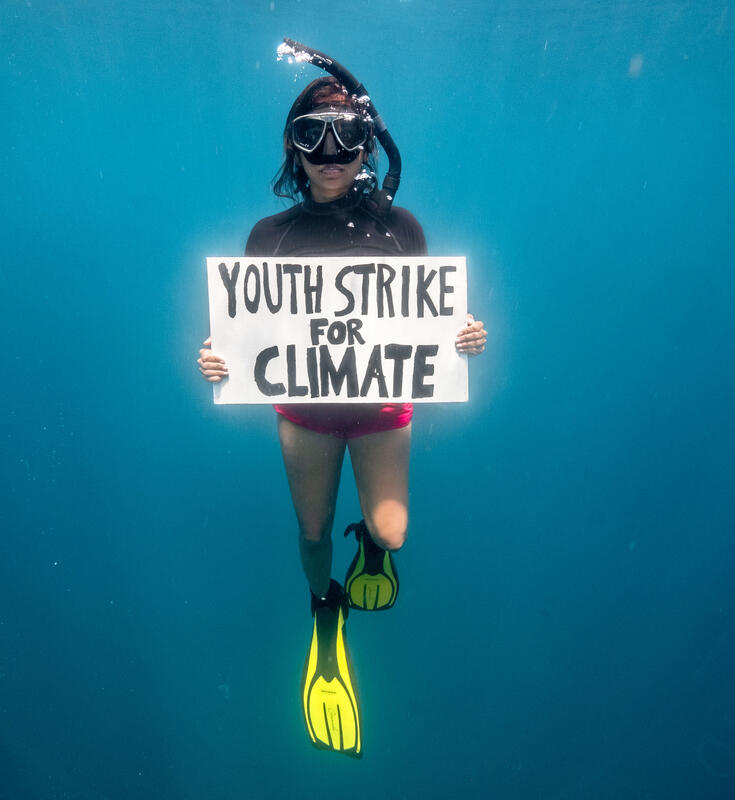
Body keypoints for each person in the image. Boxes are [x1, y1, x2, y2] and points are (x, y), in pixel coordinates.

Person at [197, 75, 487, 758]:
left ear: (368, 146)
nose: (331, 151)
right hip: (305, 405)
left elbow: (429, 320)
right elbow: (244, 330)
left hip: (383, 402)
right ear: (293, 149)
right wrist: (217, 358)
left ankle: (374, 548)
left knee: (393, 529)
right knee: (311, 530)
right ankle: (326, 610)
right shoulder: (268, 235)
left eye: (348, 136)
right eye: (312, 136)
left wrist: (464, 336)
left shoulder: (401, 227)